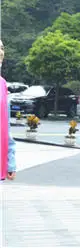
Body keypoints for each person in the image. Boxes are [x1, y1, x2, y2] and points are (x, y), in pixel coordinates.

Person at [0, 39, 16, 182]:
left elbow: (6, 128)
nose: (0, 52)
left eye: (2, 48)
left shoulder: (3, 84)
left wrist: (11, 161)